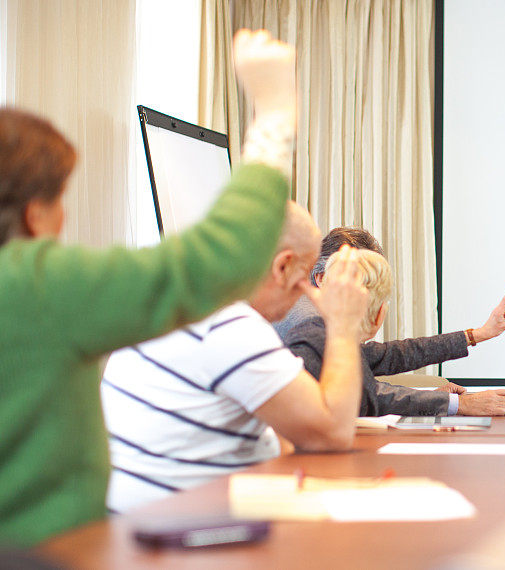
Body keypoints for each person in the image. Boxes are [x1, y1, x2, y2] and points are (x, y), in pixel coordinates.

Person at [0, 30, 294, 545]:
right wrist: (273, 118)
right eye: (61, 200)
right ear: (33, 211)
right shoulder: (38, 283)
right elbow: (217, 262)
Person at [102, 206, 370, 513]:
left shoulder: (174, 302)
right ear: (282, 266)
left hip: (141, 522)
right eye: (303, 279)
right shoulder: (229, 324)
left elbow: (282, 437)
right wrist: (343, 324)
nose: (306, 295)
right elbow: (333, 433)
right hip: (180, 533)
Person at [283, 243, 505, 417]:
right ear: (381, 315)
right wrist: (461, 404)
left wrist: (478, 334)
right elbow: (372, 396)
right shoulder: (310, 331)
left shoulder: (324, 331)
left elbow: (397, 354)